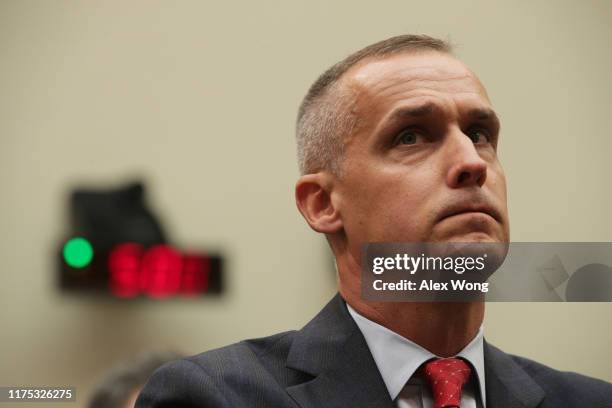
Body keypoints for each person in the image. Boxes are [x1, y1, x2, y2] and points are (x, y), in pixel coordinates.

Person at [135, 34, 612, 407]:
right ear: (322, 203)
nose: (472, 161)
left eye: (480, 133)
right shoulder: (215, 397)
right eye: (410, 137)